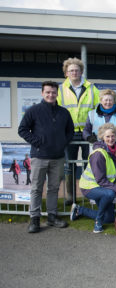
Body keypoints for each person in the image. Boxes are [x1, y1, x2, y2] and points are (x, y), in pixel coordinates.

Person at [18, 80, 74, 233]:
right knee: (36, 188)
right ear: (42, 93)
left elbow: (70, 131)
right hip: (39, 156)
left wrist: (63, 142)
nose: (51, 95)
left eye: (53, 92)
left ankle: (52, 216)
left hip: (58, 157)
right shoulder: (33, 111)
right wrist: (38, 142)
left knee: (54, 188)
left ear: (57, 94)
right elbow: (22, 130)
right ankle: (34, 219)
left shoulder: (64, 112)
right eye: (48, 92)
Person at [70, 123, 116, 233]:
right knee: (110, 194)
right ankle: (98, 222)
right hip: (89, 187)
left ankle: (79, 210)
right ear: (102, 137)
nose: (111, 139)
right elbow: (101, 180)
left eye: (113, 136)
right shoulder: (98, 154)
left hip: (103, 188)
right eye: (107, 136)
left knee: (109, 218)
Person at [57, 57, 100, 205]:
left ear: (81, 71)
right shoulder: (60, 90)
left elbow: (98, 110)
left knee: (91, 164)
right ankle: (70, 197)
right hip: (69, 133)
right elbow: (56, 111)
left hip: (89, 133)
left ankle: (91, 195)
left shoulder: (92, 88)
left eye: (77, 70)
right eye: (71, 71)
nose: (74, 72)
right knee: (69, 165)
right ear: (66, 73)